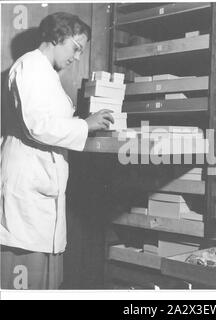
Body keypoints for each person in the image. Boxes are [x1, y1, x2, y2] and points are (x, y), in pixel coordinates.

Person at [0, 12, 114, 289]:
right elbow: (38, 125)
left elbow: (53, 123)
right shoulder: (29, 67)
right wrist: (85, 125)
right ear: (57, 36)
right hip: (26, 187)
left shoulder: (47, 74)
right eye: (75, 47)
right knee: (23, 275)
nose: (76, 56)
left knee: (44, 278)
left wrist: (85, 125)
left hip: (42, 188)